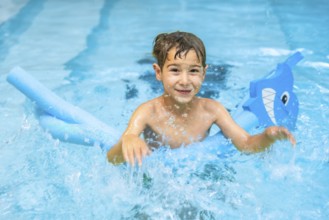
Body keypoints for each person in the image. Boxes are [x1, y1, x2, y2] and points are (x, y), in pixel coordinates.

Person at [107, 31, 296, 166]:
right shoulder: (148, 112)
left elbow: (246, 144)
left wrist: (268, 137)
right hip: (157, 180)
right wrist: (128, 140)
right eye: (174, 70)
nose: (185, 80)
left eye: (194, 71)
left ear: (204, 73)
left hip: (200, 175)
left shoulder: (211, 110)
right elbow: (112, 159)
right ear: (158, 72)